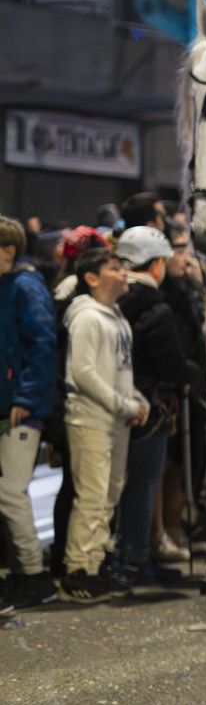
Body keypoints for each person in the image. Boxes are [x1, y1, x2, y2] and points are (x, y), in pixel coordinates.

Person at [110, 227, 206, 582]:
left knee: (119, 485)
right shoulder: (155, 305)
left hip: (116, 398)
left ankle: (122, 557)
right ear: (154, 265)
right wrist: (197, 373)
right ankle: (136, 560)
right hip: (146, 403)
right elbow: (171, 363)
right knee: (142, 483)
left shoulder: (112, 296)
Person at [60, 246, 149, 602]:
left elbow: (120, 371)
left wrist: (136, 400)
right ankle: (77, 568)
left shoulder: (116, 316)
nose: (123, 273)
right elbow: (83, 372)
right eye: (114, 268)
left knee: (110, 494)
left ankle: (96, 562)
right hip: (90, 417)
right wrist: (122, 403)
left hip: (117, 418)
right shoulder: (86, 317)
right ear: (92, 278)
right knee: (93, 495)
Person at [0, 216, 57, 609]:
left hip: (20, 408)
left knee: (11, 492)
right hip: (10, 403)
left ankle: (35, 575)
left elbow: (42, 344)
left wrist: (25, 398)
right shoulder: (11, 285)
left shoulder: (25, 285)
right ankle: (22, 572)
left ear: (8, 250)